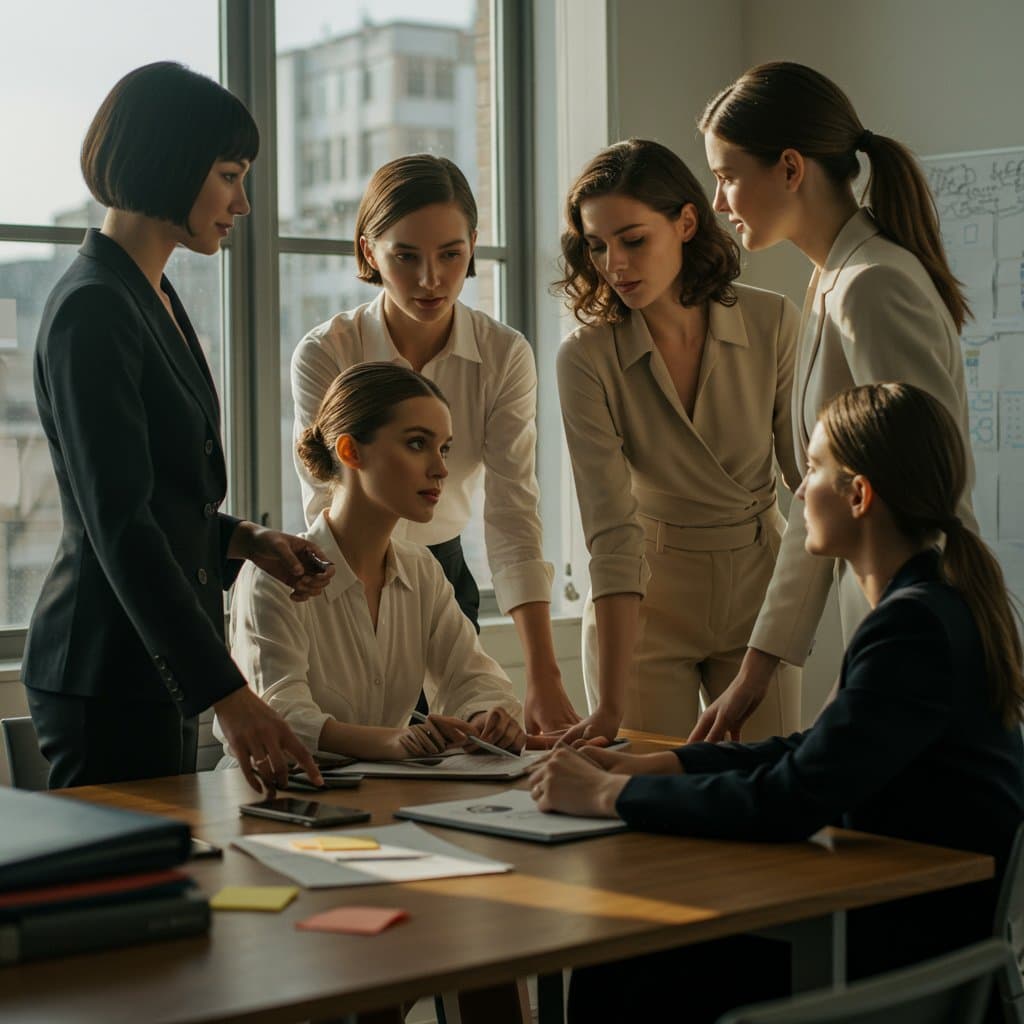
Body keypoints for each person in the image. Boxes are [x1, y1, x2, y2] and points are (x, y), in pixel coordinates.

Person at [531, 382, 1024, 1023]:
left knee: (624, 959)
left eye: (814, 466)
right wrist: (662, 766)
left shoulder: (913, 626)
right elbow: (818, 753)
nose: (798, 487)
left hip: (905, 951)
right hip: (917, 924)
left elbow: (791, 799)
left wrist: (605, 797)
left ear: (859, 495)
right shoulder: (935, 603)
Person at [24, 62, 328, 793]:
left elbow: (160, 499)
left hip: (144, 665)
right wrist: (227, 693)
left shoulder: (149, 293)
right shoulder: (94, 308)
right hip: (106, 670)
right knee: (124, 899)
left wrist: (244, 539)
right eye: (229, 175)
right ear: (170, 164)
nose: (243, 203)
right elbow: (121, 522)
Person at [692, 60, 976, 743]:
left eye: (728, 176)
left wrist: (886, 663)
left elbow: (923, 484)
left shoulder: (872, 284)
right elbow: (816, 495)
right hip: (886, 615)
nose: (718, 203)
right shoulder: (832, 283)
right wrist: (757, 669)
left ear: (791, 169)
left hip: (913, 620)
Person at [290, 154, 577, 737]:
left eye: (451, 254)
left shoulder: (502, 355)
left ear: (474, 243)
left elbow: (513, 513)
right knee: (363, 748)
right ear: (369, 252)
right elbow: (327, 498)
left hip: (444, 570)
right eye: (406, 257)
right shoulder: (327, 351)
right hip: (348, 571)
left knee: (462, 751)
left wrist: (544, 674)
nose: (431, 280)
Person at [554, 139, 802, 743]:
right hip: (645, 599)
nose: (614, 264)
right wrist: (608, 708)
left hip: (757, 585)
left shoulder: (774, 321)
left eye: (633, 240)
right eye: (597, 245)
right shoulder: (585, 357)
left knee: (762, 800)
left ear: (686, 222)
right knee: (642, 802)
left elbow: (808, 479)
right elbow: (611, 531)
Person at [220, 362, 525, 764]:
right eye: (417, 443)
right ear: (350, 451)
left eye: (444, 447)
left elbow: (472, 676)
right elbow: (281, 716)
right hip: (271, 798)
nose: (441, 469)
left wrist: (488, 716)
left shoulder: (422, 571)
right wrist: (392, 742)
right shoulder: (272, 575)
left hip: (381, 793)